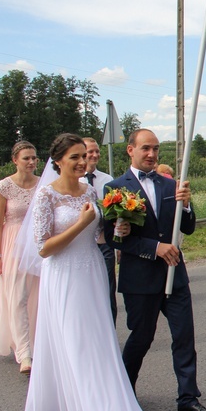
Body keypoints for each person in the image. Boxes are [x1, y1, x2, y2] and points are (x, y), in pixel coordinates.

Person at [20, 133, 153, 411]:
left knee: (99, 336)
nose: (82, 162)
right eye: (74, 157)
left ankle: (110, 400)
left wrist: (118, 229)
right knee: (76, 341)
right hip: (63, 275)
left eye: (84, 156)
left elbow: (100, 237)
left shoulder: (91, 190)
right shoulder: (46, 196)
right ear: (58, 162)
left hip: (92, 270)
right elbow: (43, 248)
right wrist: (80, 224)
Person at [104, 128, 206, 411]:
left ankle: (188, 399)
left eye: (156, 149)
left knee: (184, 337)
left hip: (174, 275)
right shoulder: (116, 189)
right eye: (145, 148)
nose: (152, 154)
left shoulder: (171, 184)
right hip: (140, 278)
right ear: (130, 150)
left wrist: (187, 203)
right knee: (141, 338)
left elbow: (188, 227)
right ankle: (124, 394)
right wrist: (155, 248)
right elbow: (116, 239)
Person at [0, 141, 40, 374]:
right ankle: (24, 353)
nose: (31, 162)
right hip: (12, 245)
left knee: (37, 297)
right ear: (15, 160)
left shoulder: (43, 184)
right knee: (17, 297)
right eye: (26, 158)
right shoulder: (5, 186)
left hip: (37, 245)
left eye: (34, 158)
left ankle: (37, 343)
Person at [80, 137, 118, 325]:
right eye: (90, 152)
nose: (94, 155)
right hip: (80, 246)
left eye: (97, 151)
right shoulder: (73, 181)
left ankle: (109, 330)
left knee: (108, 291)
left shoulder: (107, 180)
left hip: (104, 245)